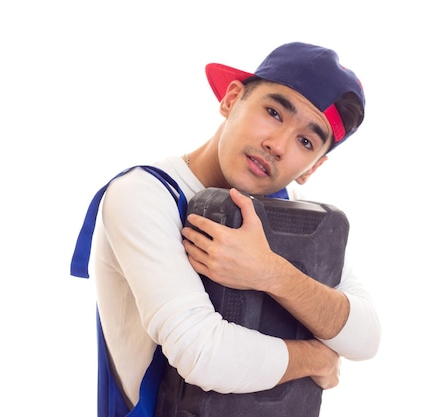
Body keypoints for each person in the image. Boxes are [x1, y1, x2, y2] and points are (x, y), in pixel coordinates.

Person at [76, 41, 381, 412]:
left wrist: (269, 272)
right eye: (273, 112)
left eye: (305, 141)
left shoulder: (289, 217)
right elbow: (201, 352)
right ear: (231, 99)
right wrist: (316, 359)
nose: (277, 144)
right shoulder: (141, 195)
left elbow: (365, 337)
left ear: (312, 167)